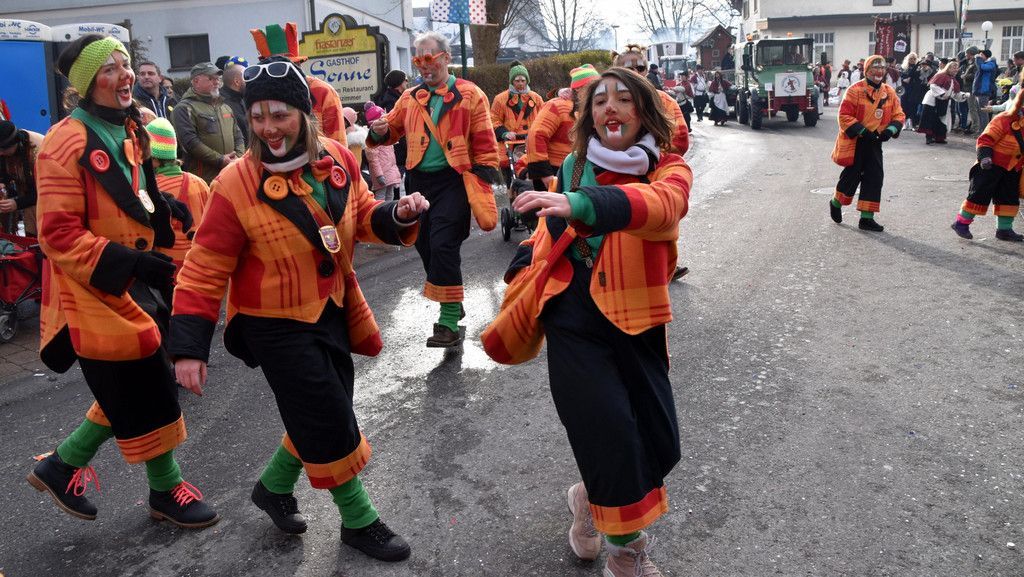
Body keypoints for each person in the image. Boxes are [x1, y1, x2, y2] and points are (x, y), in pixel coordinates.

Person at [169, 55, 428, 559]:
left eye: (279, 115)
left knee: (324, 407)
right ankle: (358, 520)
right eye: (257, 117)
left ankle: (273, 487)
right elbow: (203, 268)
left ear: (304, 115)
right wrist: (188, 347)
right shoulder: (233, 184)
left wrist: (396, 212)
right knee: (327, 414)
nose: (268, 128)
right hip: (271, 323)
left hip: (331, 308)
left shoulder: (338, 157)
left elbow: (361, 214)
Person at [502, 66, 691, 577]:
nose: (611, 107)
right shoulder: (572, 165)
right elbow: (551, 229)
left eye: (624, 99)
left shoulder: (668, 169)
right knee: (608, 429)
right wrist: (527, 257)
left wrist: (582, 204)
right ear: (589, 115)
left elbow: (663, 207)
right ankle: (626, 555)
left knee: (657, 441)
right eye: (601, 100)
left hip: (636, 315)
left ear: (643, 112)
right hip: (573, 312)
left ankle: (588, 498)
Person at [29, 33, 217, 529]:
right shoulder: (63, 143)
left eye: (125, 64)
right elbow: (57, 234)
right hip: (93, 283)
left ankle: (62, 464)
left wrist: (166, 208)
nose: (125, 75)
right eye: (109, 68)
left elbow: (136, 191)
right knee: (148, 380)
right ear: (87, 83)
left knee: (133, 380)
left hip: (131, 276)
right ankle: (166, 490)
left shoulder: (130, 127)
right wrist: (131, 264)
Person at [367, 31, 501, 347]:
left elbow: (484, 139)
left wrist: (483, 178)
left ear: (446, 58)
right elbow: (390, 131)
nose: (423, 65)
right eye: (418, 59)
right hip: (418, 183)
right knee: (424, 244)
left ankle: (448, 322)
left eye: (429, 57)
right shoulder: (409, 98)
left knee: (443, 244)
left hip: (454, 181)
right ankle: (452, 299)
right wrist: (380, 130)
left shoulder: (470, 94)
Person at [829, 55, 906, 232]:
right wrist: (863, 131)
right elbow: (844, 115)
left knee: (875, 177)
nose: (879, 72)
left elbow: (899, 114)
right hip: (857, 141)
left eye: (882, 68)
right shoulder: (854, 90)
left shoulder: (889, 92)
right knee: (851, 177)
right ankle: (836, 202)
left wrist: (890, 130)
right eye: (875, 68)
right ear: (867, 71)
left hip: (875, 142)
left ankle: (866, 218)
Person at [251, 22, 347, 146]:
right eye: (273, 69)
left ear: (298, 66)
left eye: (285, 68)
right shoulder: (259, 95)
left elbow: (338, 144)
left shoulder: (322, 91)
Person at [951, 89, 1024, 242]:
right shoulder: (1004, 119)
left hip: (1013, 168)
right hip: (990, 166)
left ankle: (1004, 230)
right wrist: (984, 157)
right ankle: (961, 223)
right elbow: (985, 139)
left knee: (1008, 198)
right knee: (979, 194)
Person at [145, 118, 210, 276]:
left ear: (153, 159)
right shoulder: (200, 183)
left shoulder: (151, 190)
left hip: (168, 270)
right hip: (200, 266)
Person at [527, 65, 600, 190]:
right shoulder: (557, 106)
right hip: (555, 171)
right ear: (578, 89)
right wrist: (544, 173)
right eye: (592, 87)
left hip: (583, 170)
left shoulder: (594, 108)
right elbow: (536, 135)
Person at [172, 61, 245, 184]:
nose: (216, 82)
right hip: (204, 180)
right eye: (211, 78)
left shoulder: (225, 107)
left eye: (218, 78)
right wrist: (220, 160)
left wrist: (238, 157)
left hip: (231, 174)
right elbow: (190, 143)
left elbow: (238, 136)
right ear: (196, 81)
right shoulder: (184, 108)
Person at [613, 46, 689, 155]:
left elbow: (680, 140)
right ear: (616, 72)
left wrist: (650, 157)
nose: (635, 72)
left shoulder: (663, 100)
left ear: (646, 71)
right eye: (628, 69)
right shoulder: (608, 102)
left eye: (640, 68)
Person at [491, 61, 545, 183]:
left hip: (531, 142)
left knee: (533, 174)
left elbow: (544, 119)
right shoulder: (500, 99)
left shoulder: (536, 98)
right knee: (512, 178)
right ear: (512, 81)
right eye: (517, 81)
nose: (520, 84)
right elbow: (493, 119)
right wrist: (504, 133)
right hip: (510, 143)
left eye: (523, 80)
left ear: (527, 81)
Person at [0, 119, 43, 236]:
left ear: (13, 144)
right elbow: (4, 175)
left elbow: (45, 190)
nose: (0, 153)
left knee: (41, 232)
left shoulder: (38, 151)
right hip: (27, 193)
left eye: (3, 150)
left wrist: (17, 203)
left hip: (46, 197)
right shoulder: (6, 148)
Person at [920, 60, 967, 145]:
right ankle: (929, 137)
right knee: (930, 119)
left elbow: (955, 93)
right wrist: (942, 94)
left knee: (941, 120)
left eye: (957, 68)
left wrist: (963, 95)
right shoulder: (940, 75)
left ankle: (939, 137)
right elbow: (933, 86)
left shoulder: (953, 80)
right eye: (954, 68)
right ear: (948, 68)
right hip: (933, 100)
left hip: (943, 101)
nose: (956, 70)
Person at [376, 70, 409, 189]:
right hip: (398, 149)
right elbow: (397, 126)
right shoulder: (392, 101)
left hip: (397, 149)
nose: (407, 82)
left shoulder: (391, 97)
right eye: (405, 79)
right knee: (396, 182)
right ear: (399, 83)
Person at [220, 58, 249, 146]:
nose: (249, 81)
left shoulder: (242, 98)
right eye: (246, 77)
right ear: (237, 81)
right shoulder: (221, 104)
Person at [973, 49, 999, 130]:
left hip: (984, 91)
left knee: (983, 113)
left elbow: (982, 68)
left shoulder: (991, 64)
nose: (979, 56)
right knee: (979, 112)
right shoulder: (984, 63)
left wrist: (978, 59)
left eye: (981, 55)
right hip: (979, 92)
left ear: (986, 56)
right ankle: (981, 130)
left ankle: (984, 131)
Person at [899, 52, 923, 129]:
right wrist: (904, 79)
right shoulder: (903, 67)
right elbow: (901, 77)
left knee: (913, 106)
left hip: (914, 89)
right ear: (908, 59)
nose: (912, 60)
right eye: (911, 58)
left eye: (914, 59)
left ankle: (913, 123)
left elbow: (919, 78)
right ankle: (904, 123)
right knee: (904, 106)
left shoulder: (918, 68)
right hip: (905, 89)